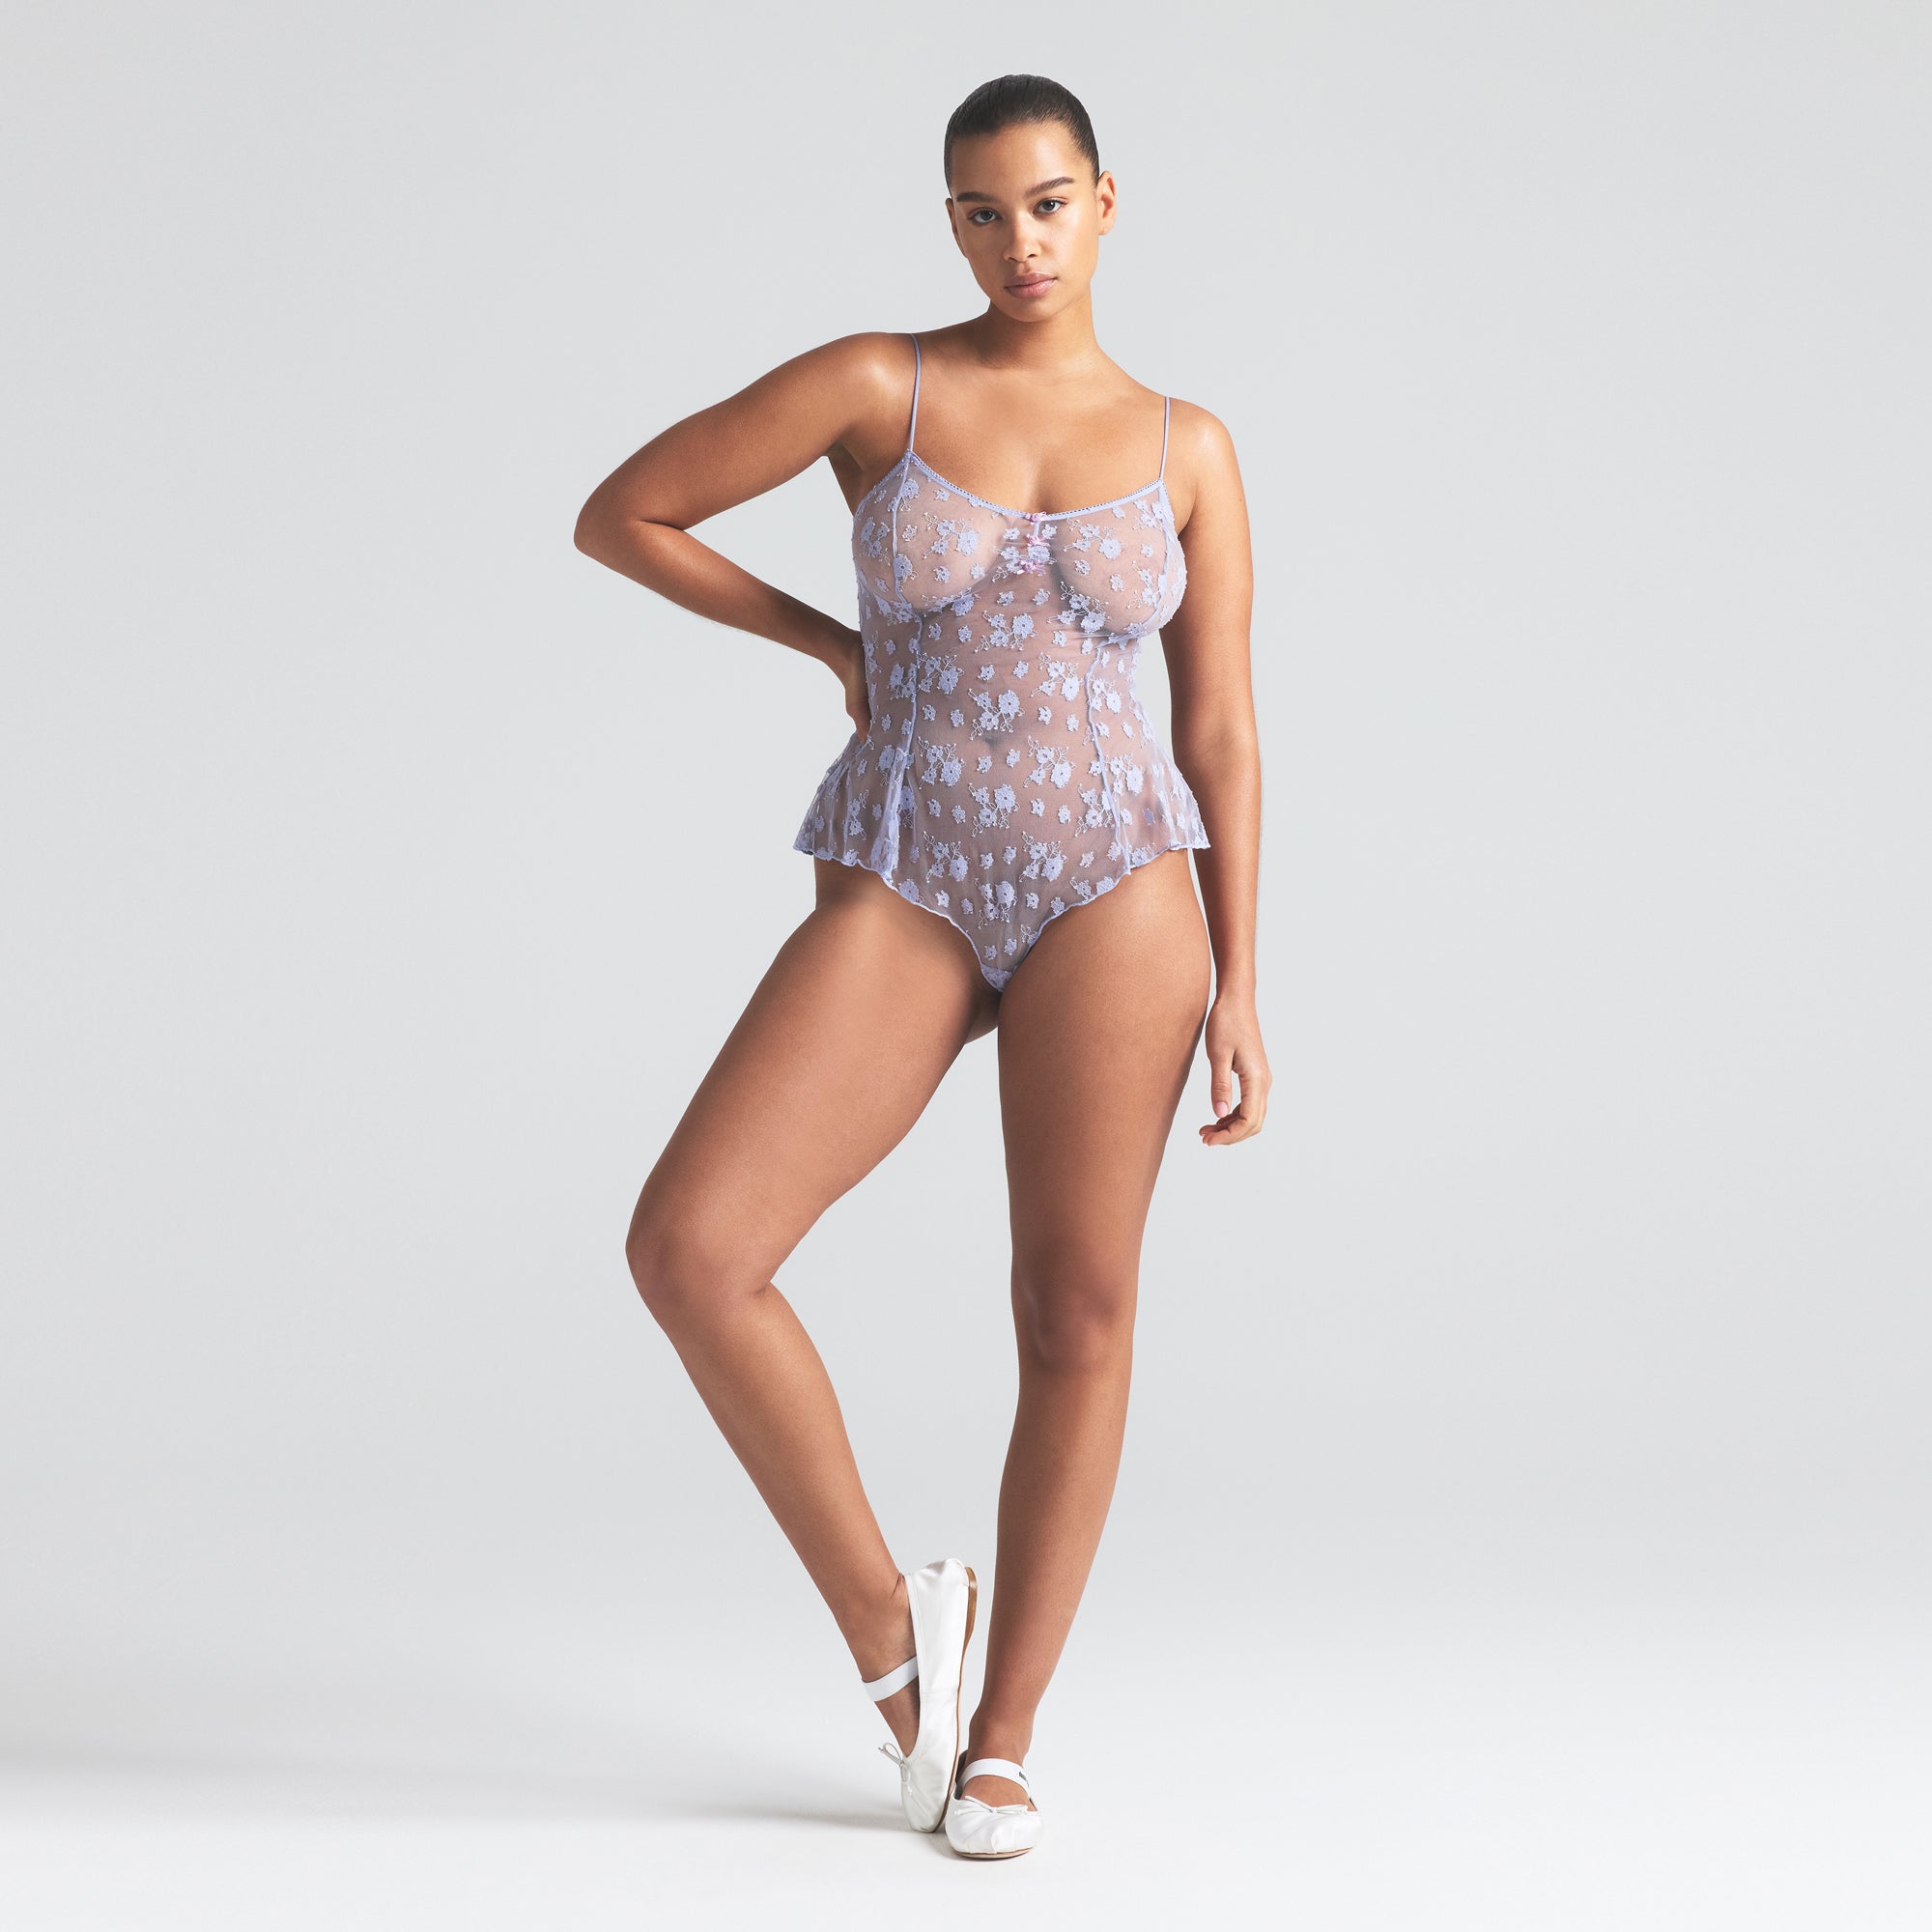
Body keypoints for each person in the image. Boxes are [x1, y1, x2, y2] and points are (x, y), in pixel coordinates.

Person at [572, 71, 1268, 1861]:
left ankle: (1004, 1741)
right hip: (913, 867)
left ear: (1104, 202)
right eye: (982, 211)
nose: (1018, 241)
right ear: (950, 224)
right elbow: (626, 512)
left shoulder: (1188, 446)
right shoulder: (879, 383)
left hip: (1120, 884)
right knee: (694, 1248)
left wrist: (1246, 984)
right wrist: (829, 643)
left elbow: (1220, 732)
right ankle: (902, 1650)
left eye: (1047, 202)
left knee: (1076, 1309)